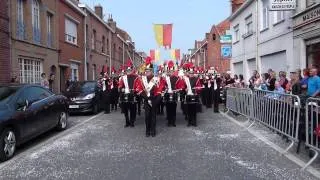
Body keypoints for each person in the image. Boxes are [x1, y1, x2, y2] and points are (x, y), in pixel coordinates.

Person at [136, 57, 164, 137]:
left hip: (154, 100)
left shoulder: (156, 79)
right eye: (146, 71)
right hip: (146, 99)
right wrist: (146, 97)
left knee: (153, 116)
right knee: (147, 116)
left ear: (152, 71)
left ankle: (153, 130)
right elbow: (140, 90)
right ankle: (147, 130)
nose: (147, 72)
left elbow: (159, 90)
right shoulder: (142, 79)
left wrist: (156, 100)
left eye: (149, 71)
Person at [180, 62, 203, 127]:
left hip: (194, 96)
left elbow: (199, 87)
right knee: (188, 109)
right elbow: (183, 87)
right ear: (188, 73)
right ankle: (189, 122)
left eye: (192, 73)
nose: (191, 74)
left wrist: (196, 90)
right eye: (190, 73)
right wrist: (185, 89)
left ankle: (194, 122)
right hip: (188, 96)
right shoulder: (186, 79)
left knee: (194, 110)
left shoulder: (196, 79)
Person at [118, 60, 139, 127]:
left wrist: (135, 90)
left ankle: (132, 122)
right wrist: (122, 89)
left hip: (133, 95)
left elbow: (138, 86)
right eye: (127, 70)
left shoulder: (136, 77)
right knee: (125, 110)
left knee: (133, 109)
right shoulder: (123, 78)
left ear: (132, 70)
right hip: (125, 95)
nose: (128, 71)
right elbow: (120, 86)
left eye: (130, 70)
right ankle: (127, 122)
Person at [164, 61, 179, 127]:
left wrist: (177, 89)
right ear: (168, 71)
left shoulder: (177, 78)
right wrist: (165, 88)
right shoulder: (165, 78)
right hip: (167, 95)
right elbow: (163, 86)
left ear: (173, 71)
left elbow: (179, 86)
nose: (171, 73)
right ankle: (169, 121)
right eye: (170, 71)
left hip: (174, 94)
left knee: (173, 109)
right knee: (168, 109)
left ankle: (173, 122)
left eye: (172, 71)